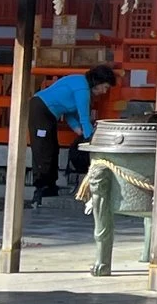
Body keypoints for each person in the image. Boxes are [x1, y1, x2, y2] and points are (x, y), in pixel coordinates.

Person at [29, 62, 115, 203]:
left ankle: (50, 186)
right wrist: (90, 140)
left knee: (52, 149)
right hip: (41, 109)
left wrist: (77, 130)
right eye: (105, 87)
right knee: (43, 149)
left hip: (49, 113)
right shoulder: (82, 89)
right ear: (97, 82)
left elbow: (68, 111)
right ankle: (41, 188)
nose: (104, 92)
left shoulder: (80, 84)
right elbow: (84, 117)